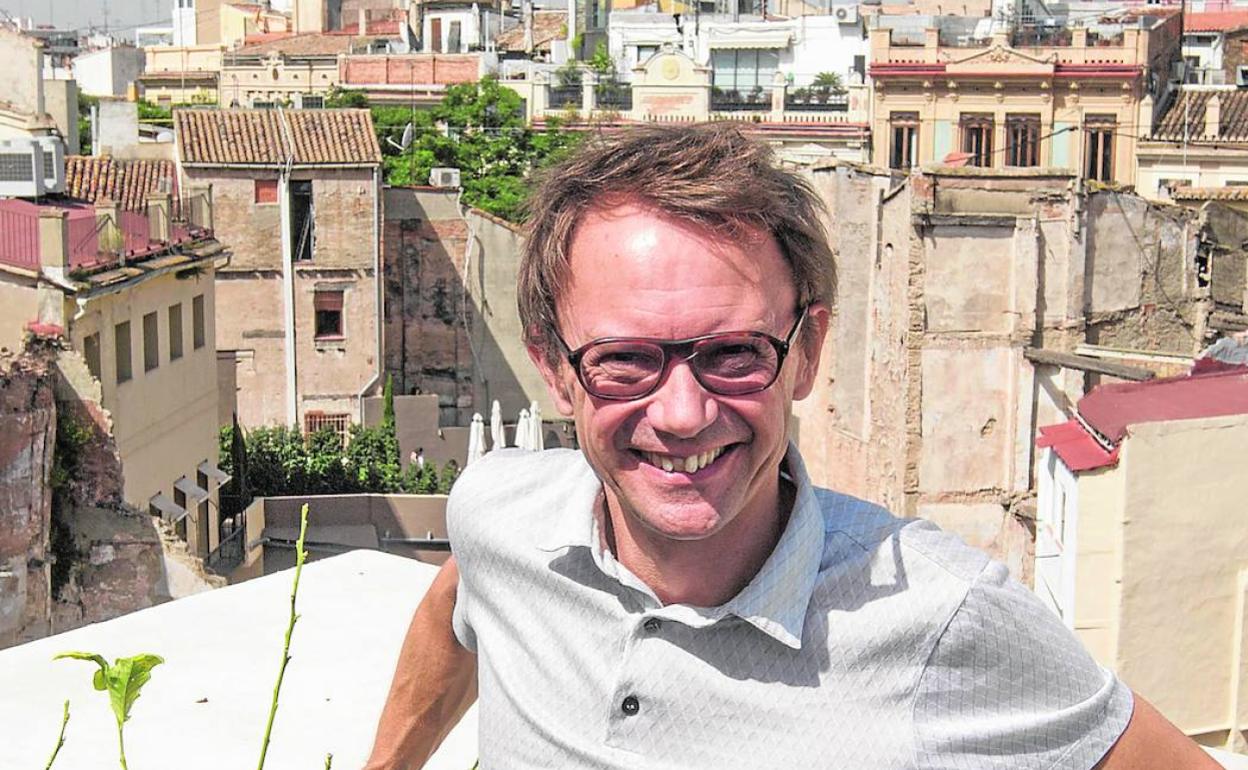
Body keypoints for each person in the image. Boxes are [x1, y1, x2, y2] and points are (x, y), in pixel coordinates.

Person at [365, 124, 1216, 769]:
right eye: (624, 360)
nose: (684, 413)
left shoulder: (947, 619)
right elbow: (460, 599)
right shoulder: (500, 509)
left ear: (805, 353)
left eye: (734, 353)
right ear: (555, 369)